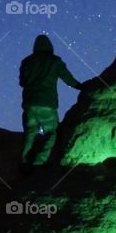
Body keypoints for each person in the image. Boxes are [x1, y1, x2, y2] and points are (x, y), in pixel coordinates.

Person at [19, 34, 82, 167]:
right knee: (51, 132)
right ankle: (40, 161)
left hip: (29, 103)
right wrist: (81, 86)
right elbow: (68, 78)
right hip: (47, 103)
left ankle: (24, 160)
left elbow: (22, 82)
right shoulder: (55, 61)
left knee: (30, 133)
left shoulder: (26, 61)